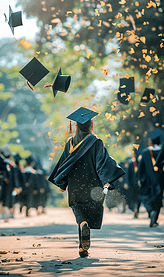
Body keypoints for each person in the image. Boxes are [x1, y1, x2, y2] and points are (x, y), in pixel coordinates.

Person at [48, 107, 125, 258]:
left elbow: (64, 163)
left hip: (75, 183)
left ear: (75, 126)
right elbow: (101, 162)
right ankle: (83, 247)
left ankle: (82, 242)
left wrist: (62, 184)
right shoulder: (96, 141)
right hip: (93, 184)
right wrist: (106, 181)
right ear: (91, 125)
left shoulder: (70, 142)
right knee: (90, 210)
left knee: (78, 208)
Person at [137, 128, 164, 227]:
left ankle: (150, 211)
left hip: (147, 180)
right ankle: (155, 218)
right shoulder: (162, 151)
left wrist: (140, 178)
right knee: (158, 198)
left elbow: (140, 167)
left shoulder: (145, 152)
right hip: (159, 179)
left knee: (146, 197)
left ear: (151, 141)